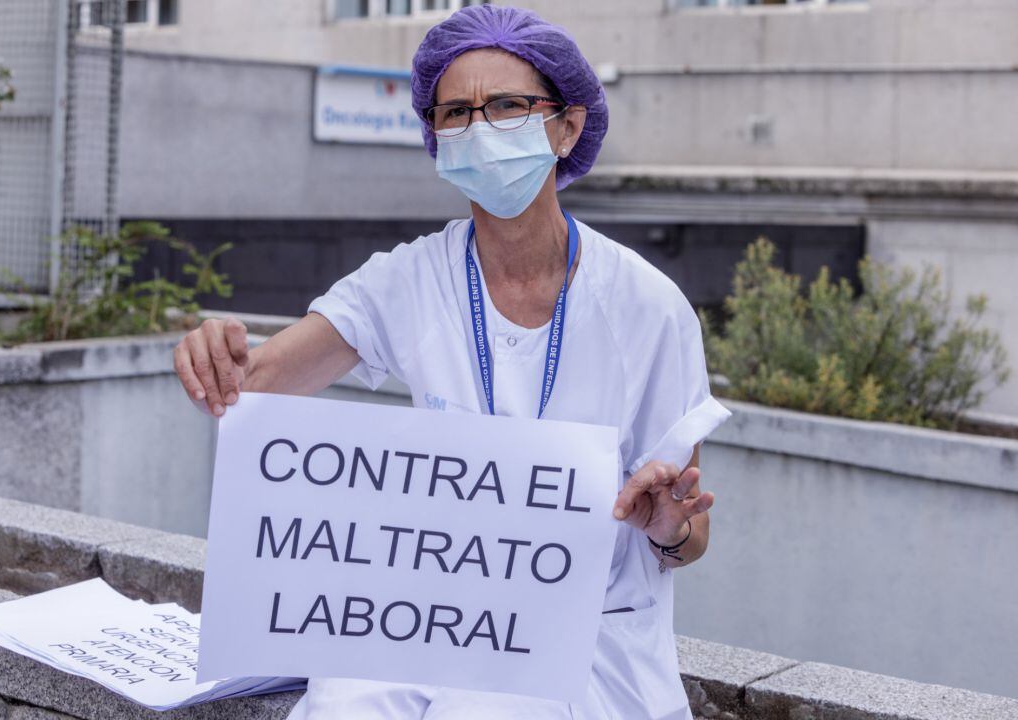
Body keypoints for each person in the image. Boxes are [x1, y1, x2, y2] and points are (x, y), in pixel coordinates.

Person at [173, 6, 730, 719]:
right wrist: (212, 359)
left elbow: (690, 535)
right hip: (432, 621)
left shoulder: (648, 309)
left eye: (507, 106)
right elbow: (253, 385)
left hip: (585, 640)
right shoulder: (410, 280)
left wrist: (666, 529)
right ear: (435, 138)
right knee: (338, 706)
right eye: (456, 112)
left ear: (568, 126)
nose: (479, 128)